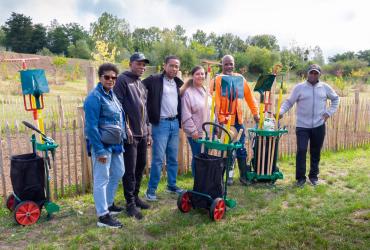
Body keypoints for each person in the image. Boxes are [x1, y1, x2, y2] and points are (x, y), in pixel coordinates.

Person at [278, 64, 339, 187]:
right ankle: (300, 178)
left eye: (316, 73)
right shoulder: (299, 88)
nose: (313, 75)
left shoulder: (325, 87)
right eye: (311, 72)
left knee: (315, 151)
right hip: (302, 126)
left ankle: (313, 176)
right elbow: (289, 102)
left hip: (319, 125)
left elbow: (336, 99)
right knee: (301, 150)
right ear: (307, 73)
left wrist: (328, 113)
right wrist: (281, 112)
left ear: (319, 74)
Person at [84, 63, 126, 228]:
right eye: (107, 77)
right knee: (102, 178)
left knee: (118, 171)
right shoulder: (94, 97)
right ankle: (103, 216)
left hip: (115, 142)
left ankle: (109, 204)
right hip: (102, 144)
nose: (111, 80)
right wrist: (99, 150)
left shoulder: (111, 95)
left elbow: (119, 116)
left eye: (113, 77)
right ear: (100, 78)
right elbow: (91, 127)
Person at [114, 52, 151, 220]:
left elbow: (145, 111)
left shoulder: (141, 84)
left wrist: (148, 132)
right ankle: (130, 204)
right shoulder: (122, 80)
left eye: (144, 65)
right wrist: (125, 127)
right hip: (130, 135)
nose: (142, 67)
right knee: (129, 170)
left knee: (140, 166)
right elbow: (118, 106)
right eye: (138, 64)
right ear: (130, 64)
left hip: (142, 134)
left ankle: (135, 197)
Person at [212, 55, 259, 185]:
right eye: (226, 64)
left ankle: (243, 176)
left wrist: (255, 112)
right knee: (226, 150)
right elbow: (213, 101)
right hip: (225, 122)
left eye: (231, 64)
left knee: (241, 148)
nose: (228, 66)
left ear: (234, 65)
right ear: (221, 65)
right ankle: (221, 179)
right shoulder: (217, 80)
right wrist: (220, 120)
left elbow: (249, 97)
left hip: (238, 122)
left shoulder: (240, 79)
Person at [143, 55, 184, 201]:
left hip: (174, 123)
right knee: (158, 159)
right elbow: (139, 87)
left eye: (176, 66)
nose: (174, 68)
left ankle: (171, 185)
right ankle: (151, 190)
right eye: (171, 65)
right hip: (160, 124)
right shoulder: (154, 79)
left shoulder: (178, 83)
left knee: (172, 158)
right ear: (165, 65)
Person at [181, 65, 210, 175]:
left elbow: (212, 110)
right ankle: (197, 181)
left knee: (205, 157)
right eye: (197, 74)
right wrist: (193, 131)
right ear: (192, 76)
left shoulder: (206, 91)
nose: (200, 76)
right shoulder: (188, 93)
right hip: (196, 133)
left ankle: (204, 180)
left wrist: (215, 127)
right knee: (198, 156)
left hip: (208, 132)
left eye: (202, 73)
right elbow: (186, 115)